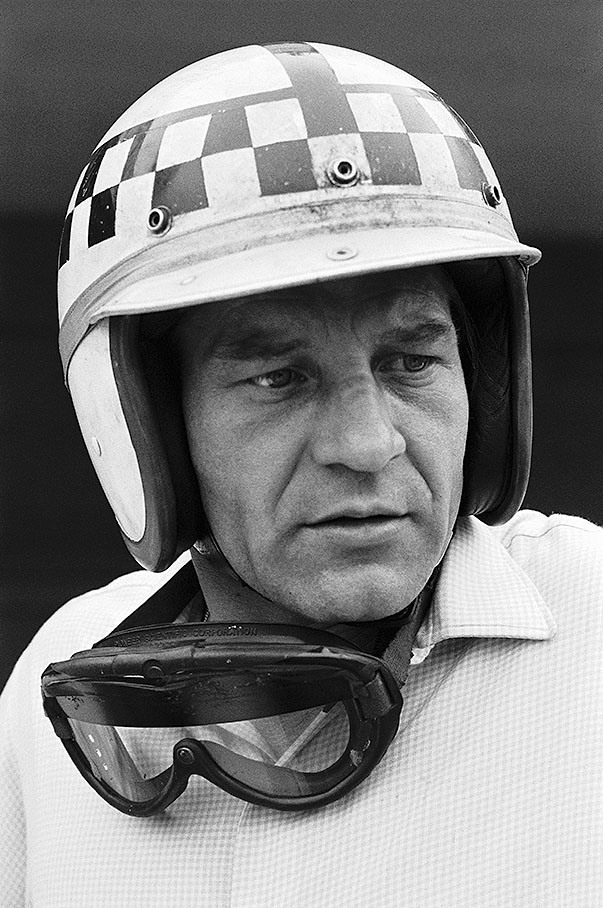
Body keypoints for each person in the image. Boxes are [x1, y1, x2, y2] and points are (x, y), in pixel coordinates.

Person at [1, 41, 601, 908]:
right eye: (279, 378)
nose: (367, 444)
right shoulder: (55, 677)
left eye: (410, 361)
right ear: (148, 424)